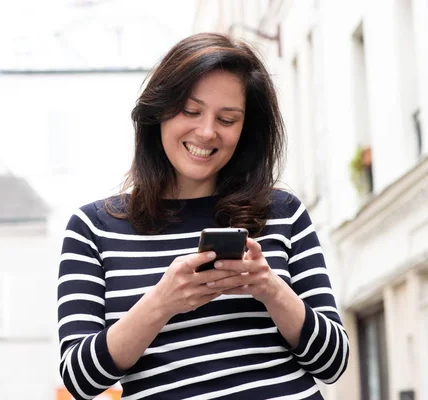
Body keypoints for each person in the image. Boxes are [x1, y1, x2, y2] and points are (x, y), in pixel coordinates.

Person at [57, 32, 349, 400]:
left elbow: (334, 363)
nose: (207, 131)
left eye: (227, 119)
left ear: (246, 129)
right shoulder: (93, 229)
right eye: (191, 111)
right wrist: (163, 301)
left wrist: (270, 289)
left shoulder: (283, 213)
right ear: (158, 110)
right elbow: (80, 380)